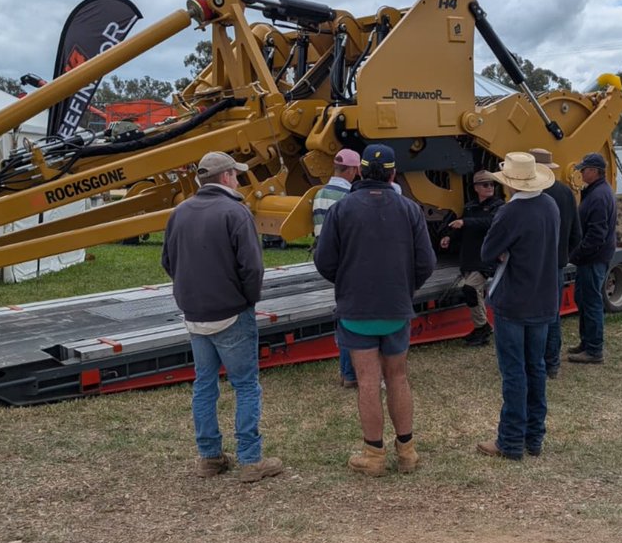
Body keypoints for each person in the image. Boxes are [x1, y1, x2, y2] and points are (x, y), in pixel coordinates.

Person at [161, 151, 284, 482]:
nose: (240, 179)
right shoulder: (236, 212)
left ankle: (209, 457)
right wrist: (248, 299)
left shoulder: (180, 212)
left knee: (204, 384)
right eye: (237, 174)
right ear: (227, 177)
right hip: (231, 313)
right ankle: (250, 460)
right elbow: (252, 267)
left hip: (194, 313)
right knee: (245, 385)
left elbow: (168, 262)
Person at [314, 144, 436, 476]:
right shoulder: (410, 209)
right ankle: (407, 452)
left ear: (362, 172)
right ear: (394, 174)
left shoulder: (342, 209)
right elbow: (426, 262)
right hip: (396, 307)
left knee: (368, 381)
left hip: (357, 309)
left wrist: (347, 283)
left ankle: (374, 455)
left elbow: (324, 261)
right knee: (398, 377)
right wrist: (405, 289)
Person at [475, 152, 560, 460]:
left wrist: (504, 251)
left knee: (514, 372)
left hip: (514, 300)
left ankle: (510, 441)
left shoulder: (511, 212)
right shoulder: (549, 205)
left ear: (509, 183)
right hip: (543, 297)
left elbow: (488, 251)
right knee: (535, 367)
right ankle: (534, 438)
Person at [529, 148, 581, 379]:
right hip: (557, 265)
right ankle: (552, 364)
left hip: (532, 267)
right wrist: (563, 255)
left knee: (531, 316)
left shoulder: (532, 194)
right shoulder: (566, 193)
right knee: (553, 315)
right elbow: (576, 234)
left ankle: (535, 362)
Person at [312, 148, 361, 388]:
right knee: (350, 319)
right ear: (352, 170)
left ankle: (346, 372)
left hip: (329, 262)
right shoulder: (351, 196)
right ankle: (350, 372)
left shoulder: (320, 194)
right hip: (349, 264)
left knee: (343, 315)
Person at [440, 170, 503, 347]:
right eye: (485, 184)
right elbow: (463, 228)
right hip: (469, 258)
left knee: (471, 289)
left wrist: (465, 222)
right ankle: (481, 328)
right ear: (476, 188)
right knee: (475, 294)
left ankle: (482, 327)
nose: (489, 187)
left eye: (491, 184)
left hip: (486, 258)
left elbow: (491, 223)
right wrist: (449, 237)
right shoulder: (470, 207)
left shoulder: (498, 206)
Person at [568, 152, 617, 365]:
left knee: (592, 301)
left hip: (593, 257)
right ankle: (587, 343)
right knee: (584, 299)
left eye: (584, 169)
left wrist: (577, 254)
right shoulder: (598, 192)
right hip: (592, 257)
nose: (581, 172)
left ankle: (594, 349)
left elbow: (596, 234)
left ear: (595, 171)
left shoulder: (598, 196)